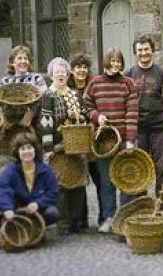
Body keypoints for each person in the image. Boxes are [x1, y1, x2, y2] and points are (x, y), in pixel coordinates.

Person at [83, 47, 138, 233]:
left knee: (125, 179)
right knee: (106, 181)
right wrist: (97, 116)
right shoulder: (95, 83)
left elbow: (132, 113)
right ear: (106, 62)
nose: (115, 65)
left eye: (118, 62)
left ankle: (124, 218)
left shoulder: (128, 83)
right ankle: (108, 217)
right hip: (103, 141)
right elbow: (86, 106)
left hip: (123, 139)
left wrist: (130, 139)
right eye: (112, 61)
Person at [37, 57, 86, 236]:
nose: (60, 74)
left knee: (79, 182)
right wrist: (48, 148)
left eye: (63, 71)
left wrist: (79, 116)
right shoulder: (47, 96)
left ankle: (76, 221)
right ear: (51, 75)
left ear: (67, 74)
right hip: (58, 146)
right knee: (61, 184)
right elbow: (45, 123)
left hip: (77, 144)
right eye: (57, 71)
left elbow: (85, 116)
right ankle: (63, 223)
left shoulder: (75, 93)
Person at [0, 131, 59, 249]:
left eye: (29, 148)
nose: (26, 151)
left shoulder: (46, 170)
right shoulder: (10, 170)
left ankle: (37, 229)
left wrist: (38, 204)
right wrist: (7, 208)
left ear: (35, 150)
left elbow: (52, 193)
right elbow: (2, 189)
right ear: (17, 152)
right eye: (22, 149)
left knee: (52, 212)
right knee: (0, 206)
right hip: (16, 207)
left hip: (35, 208)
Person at [125, 35, 163, 195]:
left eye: (146, 49)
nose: (143, 53)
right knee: (139, 168)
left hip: (159, 128)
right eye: (140, 50)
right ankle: (141, 203)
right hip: (138, 129)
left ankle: (161, 201)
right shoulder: (129, 74)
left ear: (152, 50)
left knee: (161, 167)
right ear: (135, 53)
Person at [67, 54, 103, 228]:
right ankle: (80, 220)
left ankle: (104, 216)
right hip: (75, 141)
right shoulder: (66, 89)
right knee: (78, 181)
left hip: (93, 140)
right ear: (72, 70)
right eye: (77, 67)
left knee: (99, 180)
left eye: (84, 67)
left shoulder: (95, 86)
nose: (81, 70)